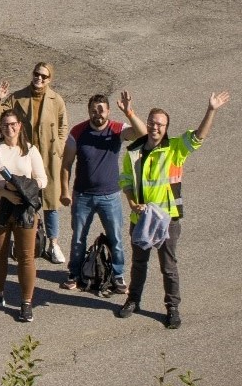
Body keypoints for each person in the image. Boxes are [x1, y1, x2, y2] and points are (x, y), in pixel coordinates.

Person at [116, 92, 230, 329]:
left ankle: (172, 308)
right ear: (147, 123)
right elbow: (126, 180)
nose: (155, 127)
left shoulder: (175, 148)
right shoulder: (133, 151)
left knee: (168, 267)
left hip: (167, 220)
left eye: (160, 124)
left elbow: (199, 137)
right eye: (152, 122)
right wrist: (130, 202)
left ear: (166, 128)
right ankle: (133, 300)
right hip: (141, 218)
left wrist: (212, 110)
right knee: (138, 263)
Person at [59, 91, 146, 293]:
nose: (98, 114)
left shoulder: (117, 129)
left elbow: (143, 134)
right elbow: (66, 164)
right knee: (78, 237)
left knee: (115, 238)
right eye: (93, 110)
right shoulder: (78, 132)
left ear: (108, 111)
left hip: (111, 196)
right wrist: (65, 190)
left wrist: (129, 112)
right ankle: (74, 274)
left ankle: (118, 276)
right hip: (82, 195)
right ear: (88, 111)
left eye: (101, 110)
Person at [0, 63, 68, 264]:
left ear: (50, 79)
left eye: (44, 76)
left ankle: (53, 242)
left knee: (50, 202)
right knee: (22, 197)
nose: (39, 79)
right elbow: (0, 114)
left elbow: (63, 126)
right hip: (25, 156)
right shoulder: (19, 96)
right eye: (36, 74)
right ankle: (21, 240)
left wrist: (58, 148)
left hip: (48, 157)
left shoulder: (56, 100)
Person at [0, 111, 49, 323]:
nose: (9, 128)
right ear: (0, 127)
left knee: (26, 256)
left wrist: (22, 186)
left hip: (24, 209)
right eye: (5, 125)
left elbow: (42, 179)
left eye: (13, 124)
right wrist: (5, 191)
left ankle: (26, 302)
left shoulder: (30, 150)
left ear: (20, 126)